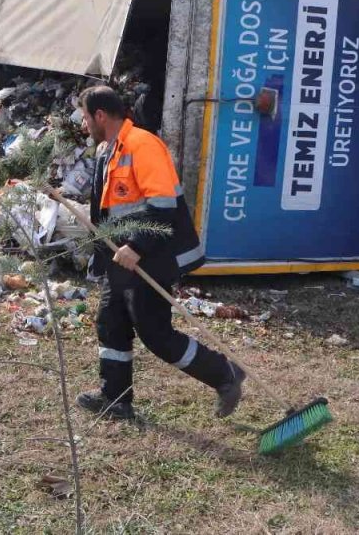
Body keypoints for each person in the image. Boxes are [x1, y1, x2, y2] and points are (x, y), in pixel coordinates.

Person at [74, 85, 244, 421]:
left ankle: (225, 374)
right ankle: (116, 399)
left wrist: (136, 246)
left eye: (84, 117)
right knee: (111, 324)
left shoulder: (143, 144)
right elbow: (112, 210)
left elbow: (163, 205)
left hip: (150, 255)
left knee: (156, 336)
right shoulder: (107, 150)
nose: (83, 125)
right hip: (121, 259)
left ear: (100, 115)